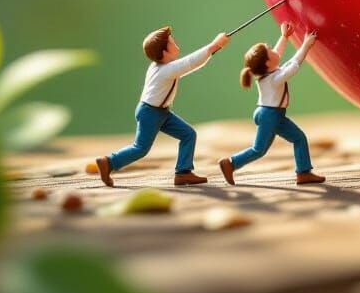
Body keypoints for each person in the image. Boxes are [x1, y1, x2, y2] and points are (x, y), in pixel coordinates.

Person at [96, 26, 229, 187]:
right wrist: (214, 45)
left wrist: (213, 49)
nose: (176, 44)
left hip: (160, 112)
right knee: (140, 148)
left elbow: (189, 65)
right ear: (164, 52)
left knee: (188, 134)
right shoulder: (167, 70)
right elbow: (190, 62)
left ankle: (183, 172)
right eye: (172, 43)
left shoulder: (160, 67)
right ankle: (109, 162)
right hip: (151, 113)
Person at [218, 23, 326, 186]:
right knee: (259, 150)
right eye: (270, 51)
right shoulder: (274, 79)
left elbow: (278, 54)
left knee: (299, 138)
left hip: (273, 115)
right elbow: (294, 65)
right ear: (268, 63)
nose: (275, 51)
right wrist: (305, 46)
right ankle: (230, 163)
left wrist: (284, 37)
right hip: (270, 116)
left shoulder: (267, 73)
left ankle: (303, 173)